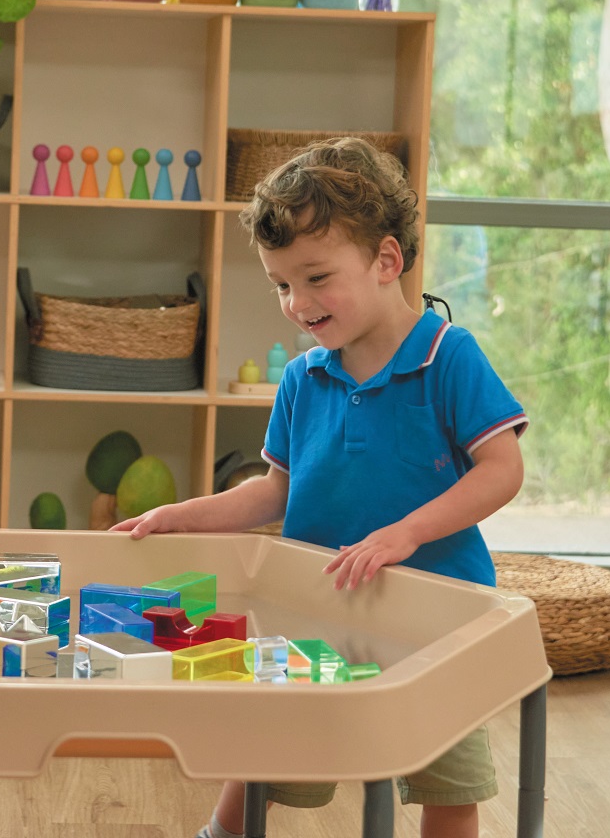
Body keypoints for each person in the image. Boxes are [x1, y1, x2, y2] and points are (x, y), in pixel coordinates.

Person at [110, 137, 528, 838]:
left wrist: (406, 533)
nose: (297, 303)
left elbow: (502, 470)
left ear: (386, 260)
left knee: (449, 785)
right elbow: (274, 492)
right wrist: (187, 514)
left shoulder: (448, 355)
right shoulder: (303, 378)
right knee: (267, 755)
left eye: (315, 278)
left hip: (438, 621)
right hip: (316, 608)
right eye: (280, 284)